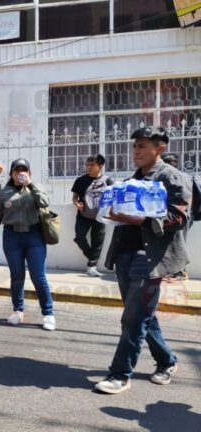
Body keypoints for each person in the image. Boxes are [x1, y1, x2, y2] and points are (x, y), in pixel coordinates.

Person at [94, 127, 190, 395]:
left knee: (133, 318)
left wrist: (141, 220)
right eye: (135, 146)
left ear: (159, 148)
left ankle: (120, 375)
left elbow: (179, 217)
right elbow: (121, 211)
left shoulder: (172, 177)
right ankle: (167, 360)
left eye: (143, 146)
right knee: (142, 315)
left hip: (149, 258)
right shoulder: (132, 179)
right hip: (124, 254)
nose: (136, 150)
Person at [0, 158, 56, 331]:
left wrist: (31, 185)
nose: (20, 173)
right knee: (17, 277)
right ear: (11, 174)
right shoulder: (4, 192)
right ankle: (18, 311)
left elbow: (45, 203)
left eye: (24, 170)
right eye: (17, 170)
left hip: (34, 237)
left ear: (29, 173)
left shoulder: (35, 188)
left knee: (38, 277)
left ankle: (48, 314)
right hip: (12, 237)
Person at [71, 154, 114, 277]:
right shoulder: (80, 180)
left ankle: (91, 267)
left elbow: (112, 198)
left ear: (100, 166)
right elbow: (74, 197)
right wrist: (77, 204)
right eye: (87, 165)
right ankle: (92, 257)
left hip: (100, 216)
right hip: (83, 215)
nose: (88, 167)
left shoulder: (108, 180)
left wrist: (110, 212)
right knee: (79, 237)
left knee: (97, 242)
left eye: (92, 165)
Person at [160, 153, 190, 281]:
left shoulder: (177, 177)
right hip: (176, 215)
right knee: (174, 243)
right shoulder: (175, 176)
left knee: (178, 243)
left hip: (178, 215)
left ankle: (180, 272)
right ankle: (173, 271)